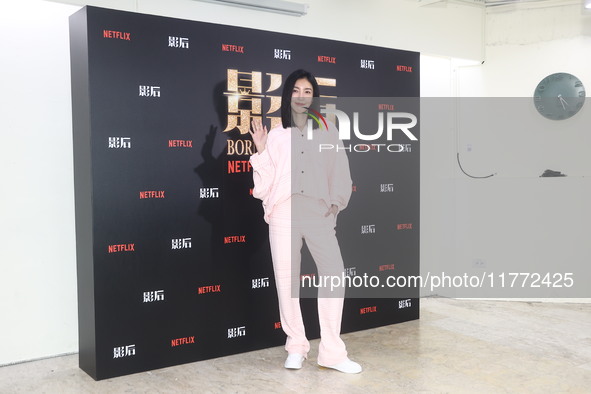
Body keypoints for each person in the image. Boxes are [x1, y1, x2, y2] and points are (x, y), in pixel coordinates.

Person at [249, 69, 362, 374]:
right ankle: (296, 345)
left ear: (314, 96)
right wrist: (261, 150)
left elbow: (340, 167)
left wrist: (336, 202)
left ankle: (332, 352)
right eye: (296, 90)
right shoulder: (275, 134)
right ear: (288, 95)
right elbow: (265, 185)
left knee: (334, 274)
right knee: (287, 283)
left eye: (308, 91)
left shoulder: (326, 130)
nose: (302, 96)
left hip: (317, 212)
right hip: (283, 212)